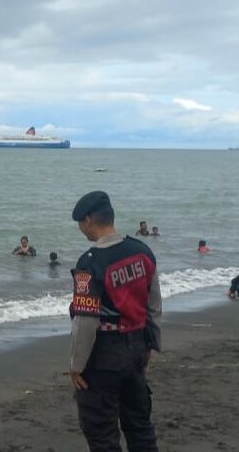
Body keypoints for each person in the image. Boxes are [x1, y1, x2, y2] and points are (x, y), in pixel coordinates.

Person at [69, 190, 161, 452]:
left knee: (102, 434)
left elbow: (85, 322)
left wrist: (76, 365)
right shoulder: (143, 251)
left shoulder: (89, 264)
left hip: (104, 356)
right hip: (136, 349)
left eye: (80, 223)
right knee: (141, 428)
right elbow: (154, 306)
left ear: (87, 220)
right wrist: (149, 347)